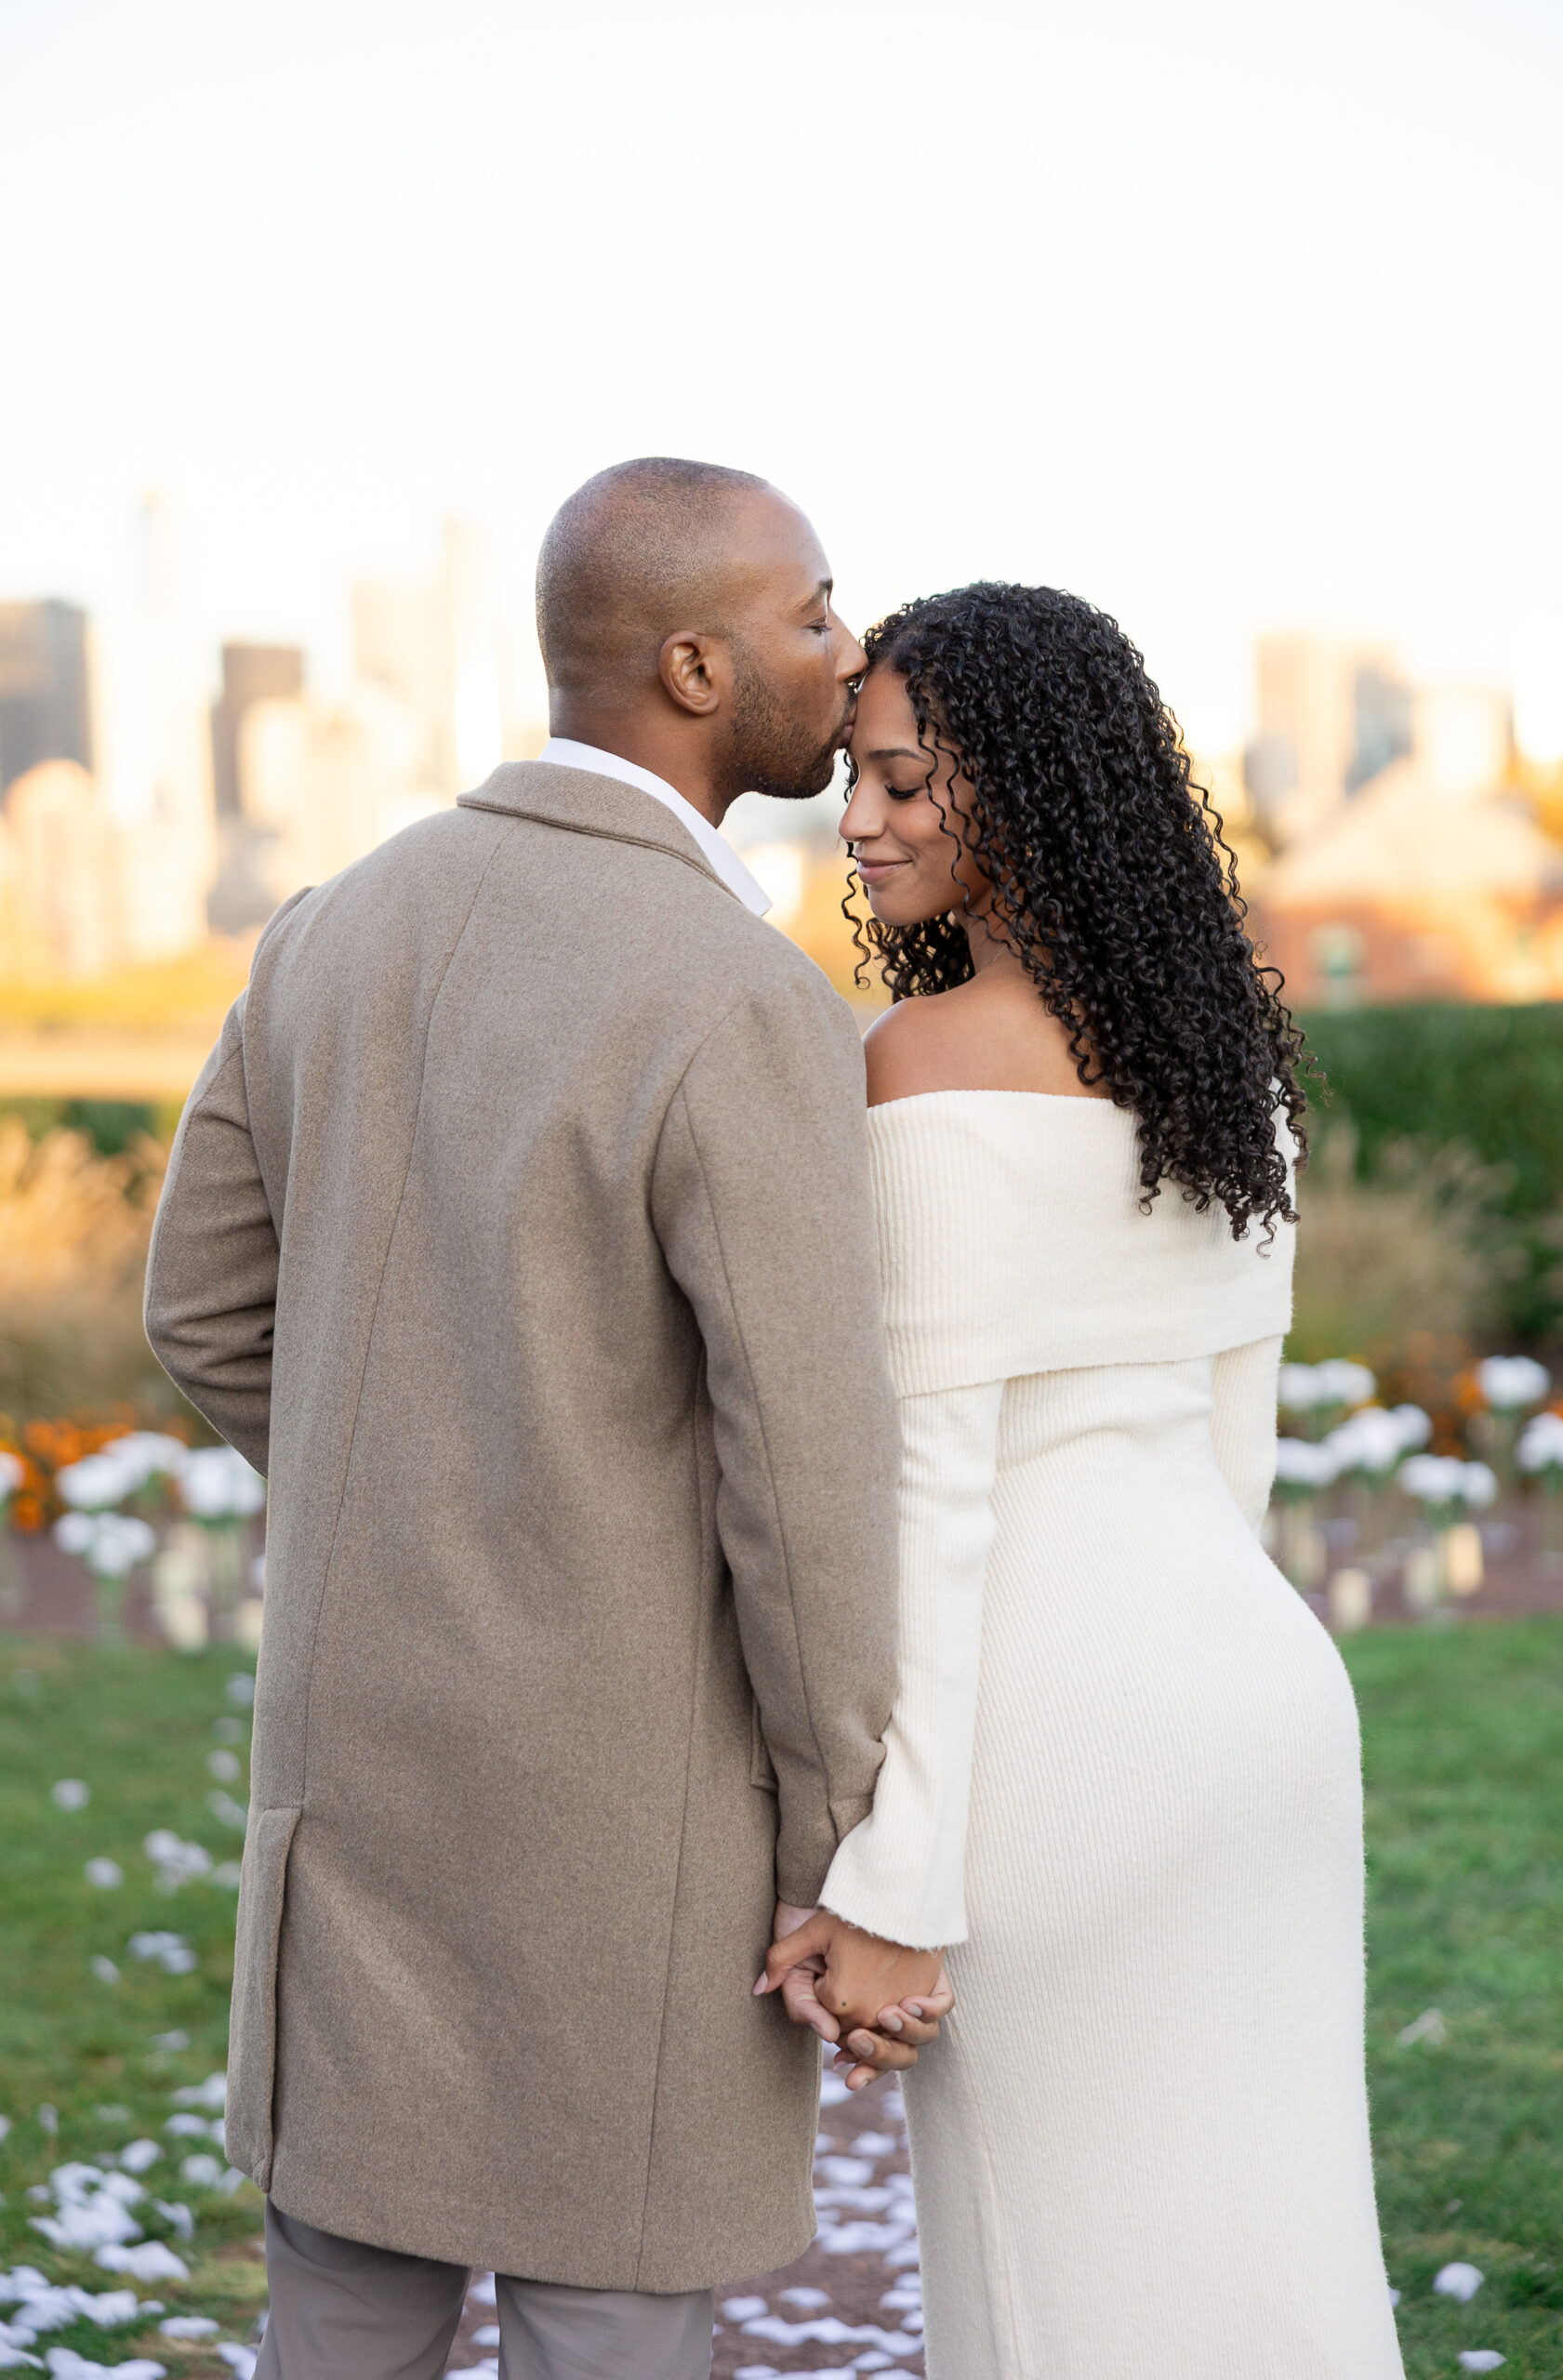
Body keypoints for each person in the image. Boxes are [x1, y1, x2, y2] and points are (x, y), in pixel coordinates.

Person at [144, 458, 946, 2380]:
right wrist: (849, 1846)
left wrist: (414, 1491)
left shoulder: (328, 926)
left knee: (337, 2321)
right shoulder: (735, 995)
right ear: (689, 661)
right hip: (626, 1822)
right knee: (611, 2324)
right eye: (813, 614)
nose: (847, 661)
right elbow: (801, 1474)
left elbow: (198, 1308)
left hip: (351, 1789)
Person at [766, 584, 1406, 2378]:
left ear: (1025, 790)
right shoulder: (1227, 1070)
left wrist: (897, 1884)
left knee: (1051, 2274)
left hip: (1061, 1739)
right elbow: (1230, 1447)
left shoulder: (920, 1064)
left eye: (905, 782)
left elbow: (938, 1504)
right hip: (1259, 1701)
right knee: (1266, 2236)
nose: (864, 823)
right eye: (856, 784)